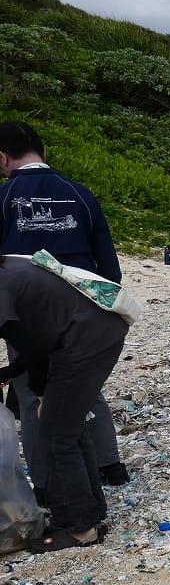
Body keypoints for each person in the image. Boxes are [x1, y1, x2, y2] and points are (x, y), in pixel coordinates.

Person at [0, 119, 130, 490]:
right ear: (44, 152)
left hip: (27, 314)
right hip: (84, 309)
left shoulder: (4, 197)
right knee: (83, 386)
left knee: (31, 396)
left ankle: (46, 484)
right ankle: (110, 465)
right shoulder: (80, 193)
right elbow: (110, 268)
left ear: (3, 158)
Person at [0, 256, 128, 551]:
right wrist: (13, 373)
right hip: (94, 330)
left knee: (56, 436)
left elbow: (36, 347)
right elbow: (36, 339)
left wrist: (40, 393)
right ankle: (91, 514)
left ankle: (81, 530)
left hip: (85, 342)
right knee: (69, 428)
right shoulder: (10, 267)